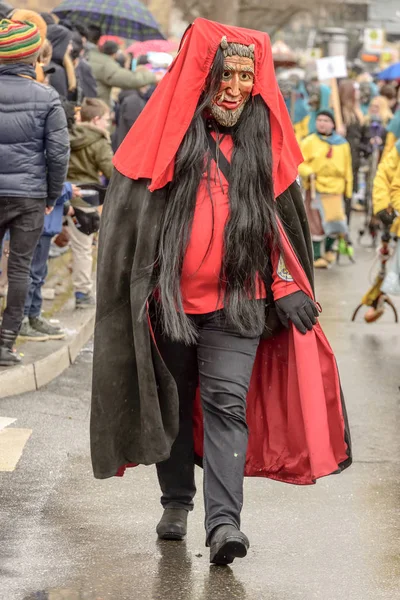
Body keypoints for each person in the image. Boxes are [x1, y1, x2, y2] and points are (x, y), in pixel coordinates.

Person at [91, 19, 351, 565]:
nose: (234, 86)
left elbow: (281, 224)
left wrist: (284, 280)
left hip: (241, 303)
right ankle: (177, 502)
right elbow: (131, 222)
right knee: (177, 404)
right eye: (224, 74)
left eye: (244, 75)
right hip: (171, 305)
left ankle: (224, 525)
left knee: (227, 403)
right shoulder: (167, 137)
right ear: (204, 78)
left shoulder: (264, 141)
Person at [0, 19, 70, 366]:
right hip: (29, 195)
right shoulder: (46, 97)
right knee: (20, 269)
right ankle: (5, 344)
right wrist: (51, 197)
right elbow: (58, 153)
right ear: (33, 58)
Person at [67, 98, 113, 308]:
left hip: (60, 194)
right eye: (106, 120)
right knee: (83, 248)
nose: (108, 124)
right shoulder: (98, 140)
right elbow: (111, 171)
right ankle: (82, 293)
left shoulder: (67, 133)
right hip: (85, 198)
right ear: (95, 120)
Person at [19, 183, 80, 342]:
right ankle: (23, 319)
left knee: (39, 273)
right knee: (31, 273)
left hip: (47, 220)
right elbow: (42, 181)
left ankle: (33, 315)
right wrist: (67, 190)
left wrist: (65, 203)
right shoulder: (46, 157)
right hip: (39, 219)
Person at [300, 110, 353, 268]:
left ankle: (329, 251)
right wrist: (308, 172)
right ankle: (316, 256)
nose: (322, 123)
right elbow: (299, 161)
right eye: (319, 120)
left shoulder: (342, 144)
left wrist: (348, 190)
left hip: (335, 190)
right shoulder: (309, 141)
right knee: (315, 223)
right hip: (317, 188)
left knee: (334, 222)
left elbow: (347, 168)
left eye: (326, 120)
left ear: (333, 124)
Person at [86, 24, 159, 107]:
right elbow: (128, 79)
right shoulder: (103, 61)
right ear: (99, 39)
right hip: (96, 109)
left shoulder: (83, 55)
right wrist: (154, 77)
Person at [339, 79, 363, 206]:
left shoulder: (356, 111)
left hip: (354, 155)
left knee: (349, 194)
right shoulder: (339, 114)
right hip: (344, 156)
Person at [46, 22, 76, 100]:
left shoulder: (41, 64)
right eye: (69, 43)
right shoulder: (56, 71)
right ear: (60, 44)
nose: (71, 48)